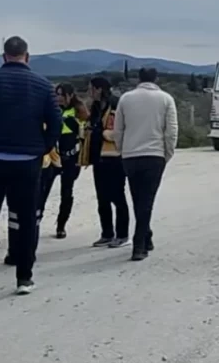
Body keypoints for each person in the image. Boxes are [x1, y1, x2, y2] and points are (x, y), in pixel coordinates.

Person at [0, 36, 61, 298]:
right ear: (27, 57)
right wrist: (40, 149)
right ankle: (24, 278)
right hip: (26, 162)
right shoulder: (42, 85)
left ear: (3, 56)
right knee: (27, 220)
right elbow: (55, 124)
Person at [112, 67, 178, 261]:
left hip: (131, 155)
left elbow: (118, 129)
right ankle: (139, 244)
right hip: (154, 155)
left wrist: (122, 150)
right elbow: (171, 131)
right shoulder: (166, 99)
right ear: (156, 79)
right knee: (147, 201)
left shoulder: (126, 98)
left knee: (138, 199)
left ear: (138, 78)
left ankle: (146, 236)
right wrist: (167, 154)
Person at [80, 77, 129, 247]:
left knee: (117, 195)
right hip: (98, 157)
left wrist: (99, 132)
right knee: (102, 198)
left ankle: (122, 234)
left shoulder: (115, 104)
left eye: (91, 89)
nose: (89, 92)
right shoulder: (95, 107)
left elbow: (118, 129)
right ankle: (107, 233)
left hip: (115, 157)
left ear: (99, 89)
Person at [53, 83, 89, 239]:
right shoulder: (52, 109)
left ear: (70, 95)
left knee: (66, 192)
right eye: (57, 94)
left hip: (71, 157)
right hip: (53, 157)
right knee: (41, 191)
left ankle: (61, 225)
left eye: (62, 94)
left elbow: (83, 134)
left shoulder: (78, 111)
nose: (59, 97)